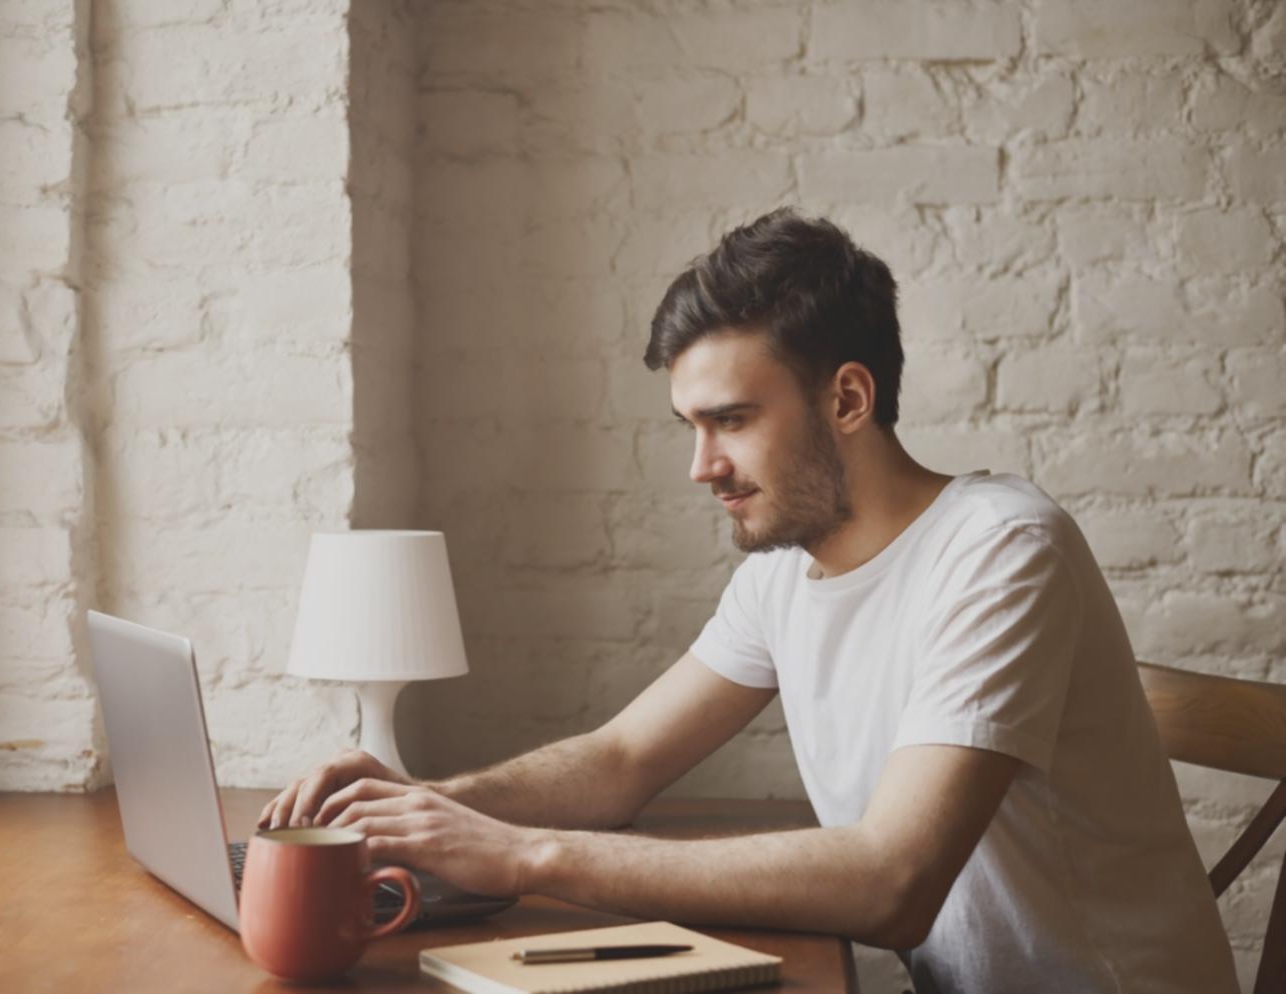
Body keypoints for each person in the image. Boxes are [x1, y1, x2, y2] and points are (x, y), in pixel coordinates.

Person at [260, 209, 1238, 993]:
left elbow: (891, 881)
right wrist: (419, 805)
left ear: (848, 400)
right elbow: (621, 759)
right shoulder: (782, 571)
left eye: (729, 420)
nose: (700, 466)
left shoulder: (1000, 550)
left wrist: (523, 855)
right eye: (691, 424)